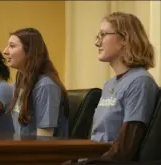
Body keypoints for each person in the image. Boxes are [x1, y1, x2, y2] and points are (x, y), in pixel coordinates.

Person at [68, 12, 159, 164]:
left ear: (124, 39)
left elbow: (125, 150)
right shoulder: (109, 84)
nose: (97, 43)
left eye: (103, 35)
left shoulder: (140, 81)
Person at [3, 28, 69, 137]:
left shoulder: (45, 86)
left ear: (30, 51)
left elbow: (45, 138)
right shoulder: (19, 83)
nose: (5, 51)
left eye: (12, 46)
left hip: (41, 153)